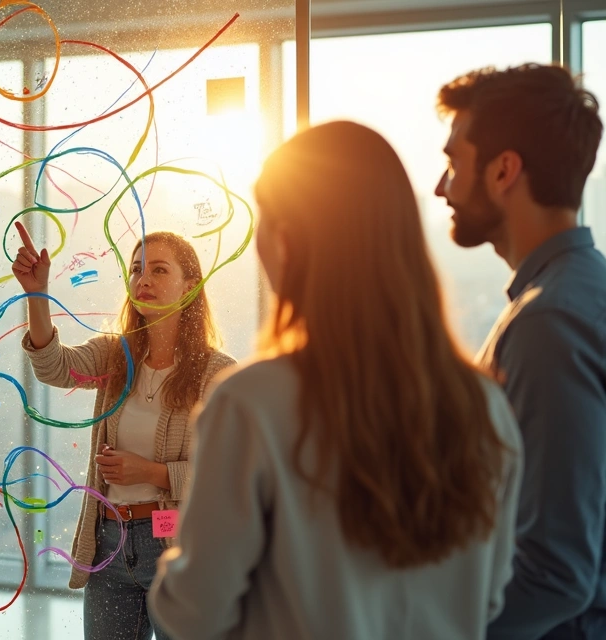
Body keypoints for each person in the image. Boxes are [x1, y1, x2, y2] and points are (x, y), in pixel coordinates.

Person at [148, 121, 523, 638]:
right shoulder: (484, 405)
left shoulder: (251, 403)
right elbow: (493, 594)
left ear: (288, 240)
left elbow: (190, 612)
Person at [434, 63, 606, 639]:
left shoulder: (549, 321)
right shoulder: (580, 292)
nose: (443, 186)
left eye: (454, 163)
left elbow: (556, 571)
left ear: (505, 170)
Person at [12, 221, 235, 640]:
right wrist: (36, 295)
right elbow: (54, 367)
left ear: (191, 283)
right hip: (109, 544)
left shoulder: (218, 373)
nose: (143, 279)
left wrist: (151, 473)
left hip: (182, 547)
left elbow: (228, 476)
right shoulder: (115, 353)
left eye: (159, 270)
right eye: (136, 269)